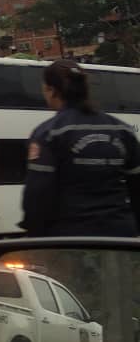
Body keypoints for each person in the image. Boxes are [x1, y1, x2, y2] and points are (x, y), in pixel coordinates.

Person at [21, 59, 140, 237]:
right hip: (120, 235)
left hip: (71, 238)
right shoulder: (122, 130)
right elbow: (137, 186)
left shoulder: (49, 133)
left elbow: (37, 194)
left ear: (51, 91)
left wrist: (35, 235)